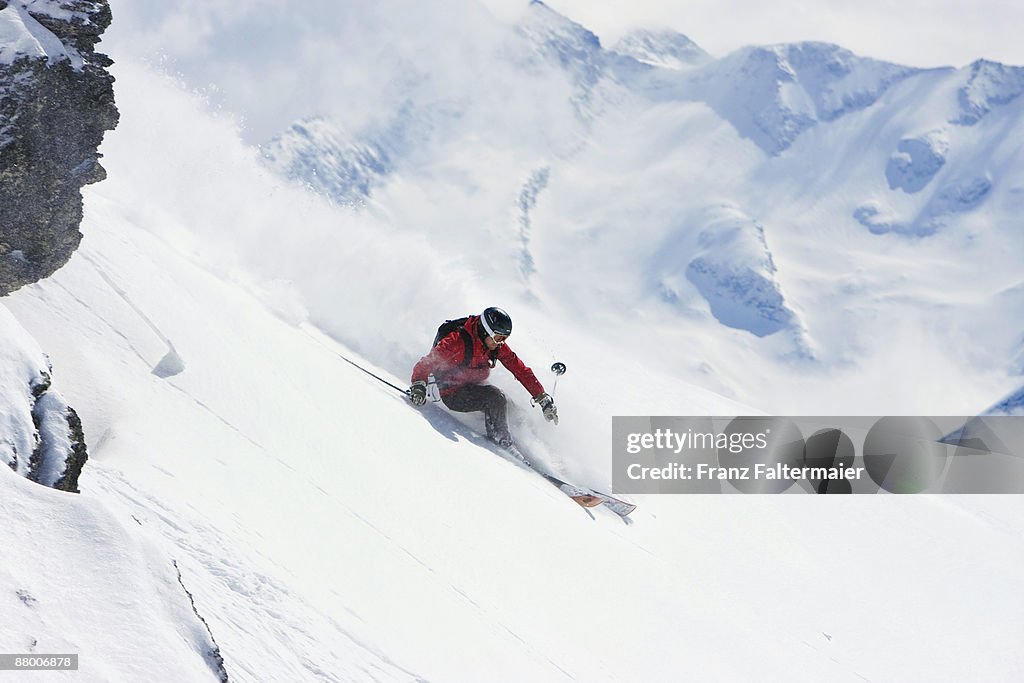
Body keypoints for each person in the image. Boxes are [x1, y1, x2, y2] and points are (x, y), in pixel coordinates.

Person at [409, 307, 557, 450]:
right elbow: (426, 364)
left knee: (512, 408)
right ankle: (501, 441)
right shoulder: (457, 342)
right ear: (486, 331)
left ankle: (537, 443)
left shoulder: (495, 345)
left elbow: (519, 368)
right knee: (496, 398)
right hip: (453, 393)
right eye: (498, 338)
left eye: (504, 339)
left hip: (473, 386)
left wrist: (541, 396)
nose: (500, 343)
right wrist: (419, 385)